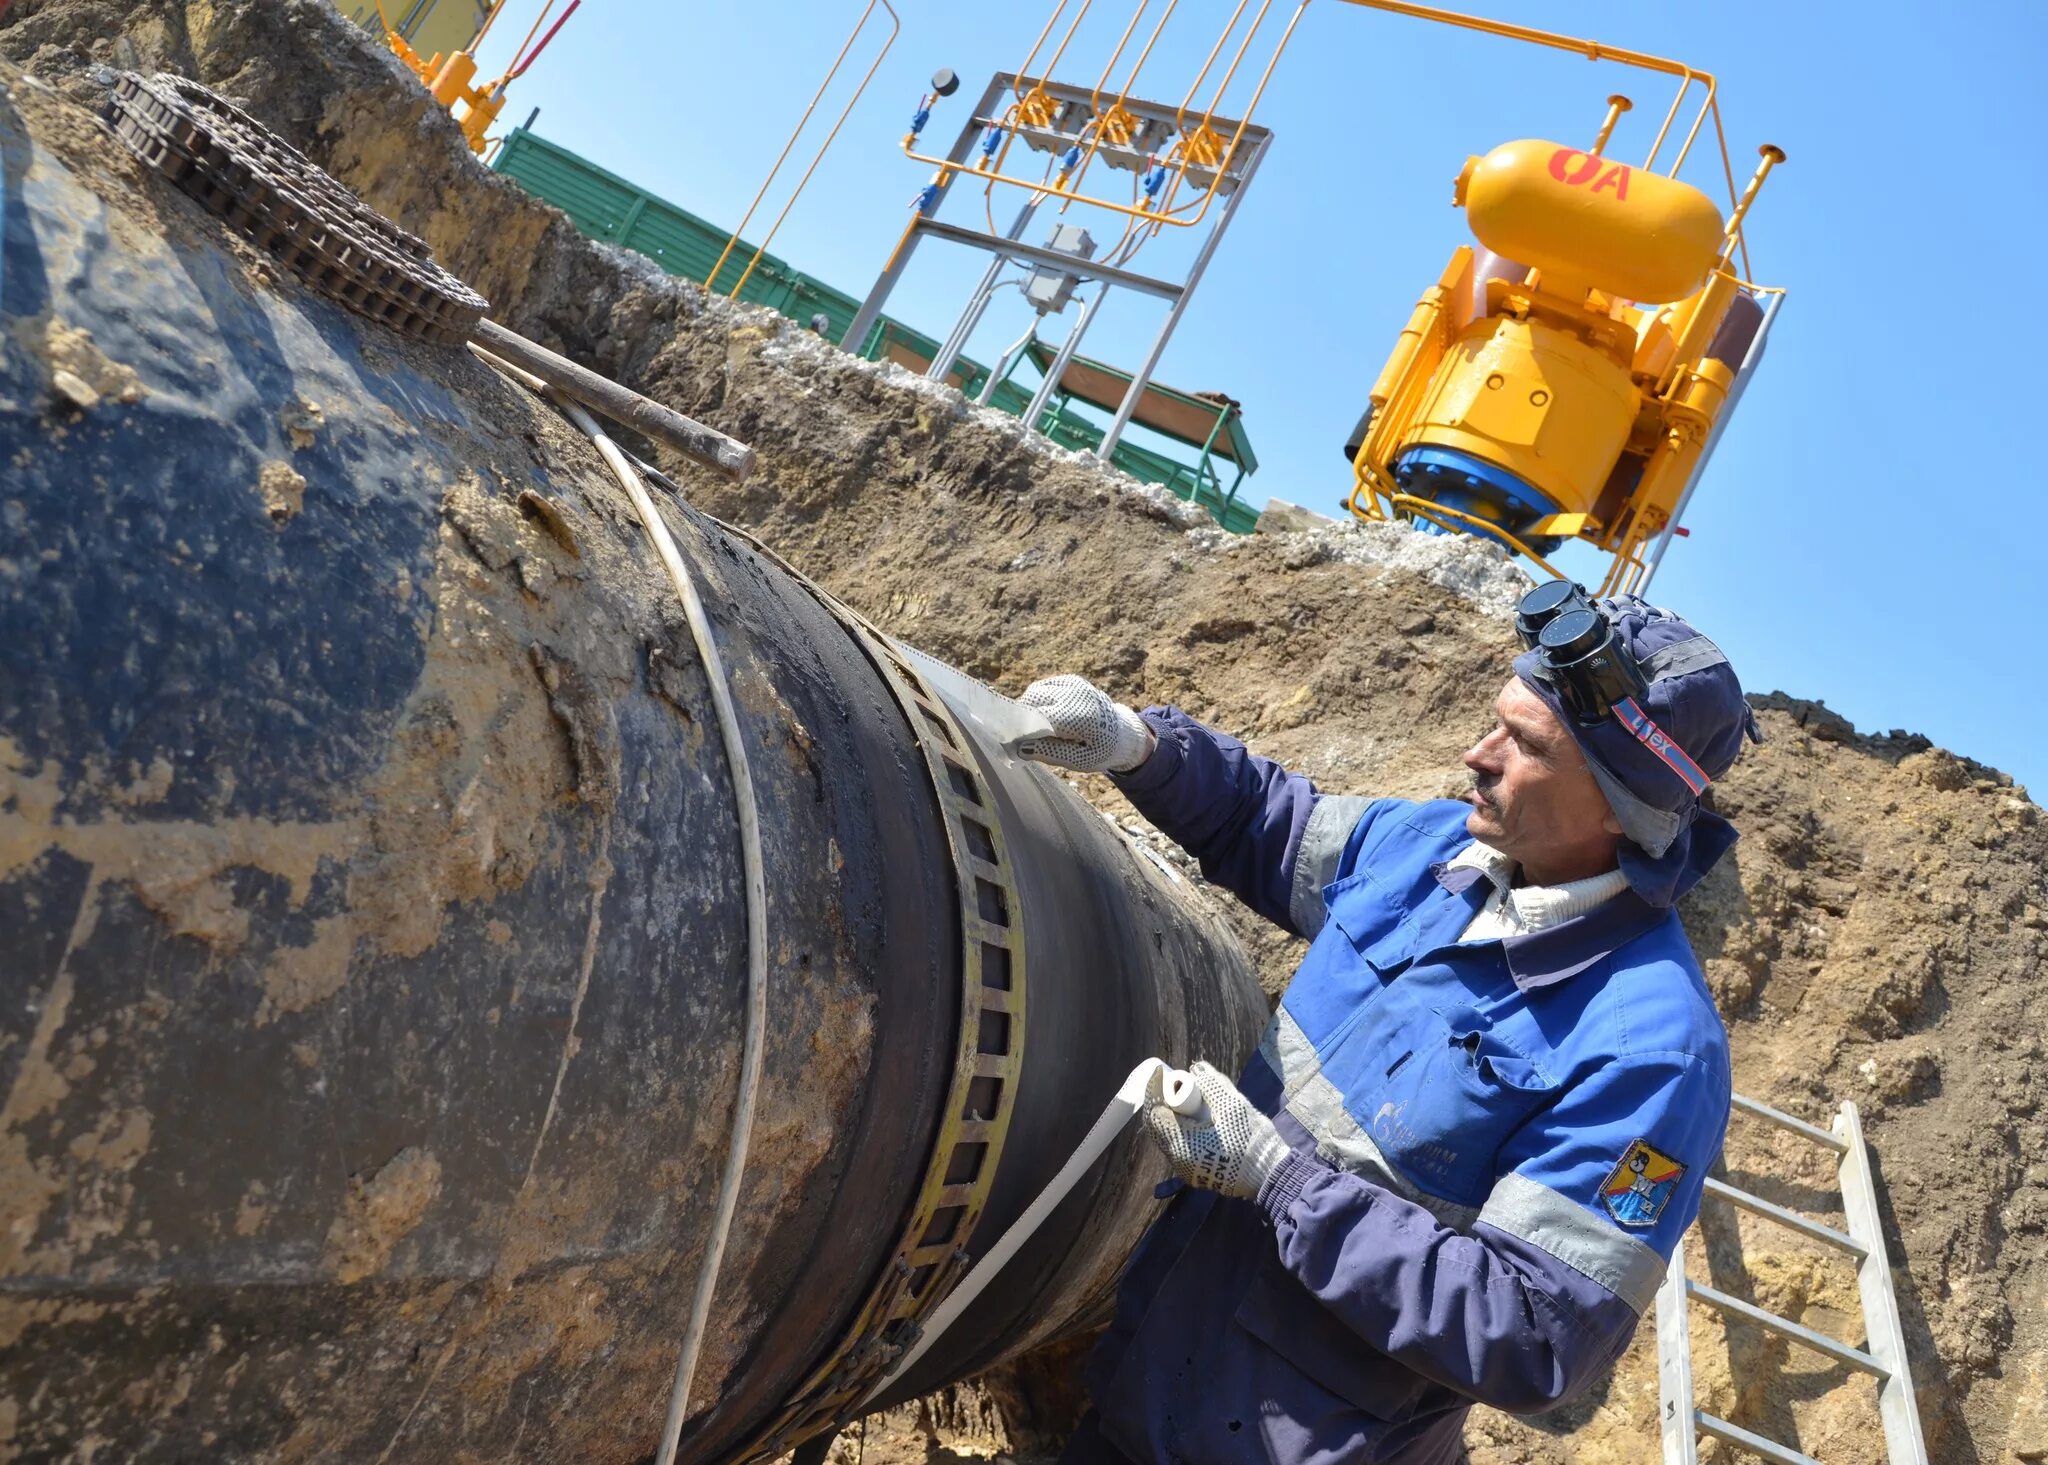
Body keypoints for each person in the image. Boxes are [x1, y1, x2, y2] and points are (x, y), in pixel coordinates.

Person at [1015, 582, 1761, 1465]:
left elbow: (1532, 1331)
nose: (1476, 754)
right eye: (1497, 719)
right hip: (1147, 1390)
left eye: (1523, 743)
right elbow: (1268, 823)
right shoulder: (1429, 850)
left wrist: (1282, 1184)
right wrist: (1139, 748)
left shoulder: (1650, 1051)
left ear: (1620, 804)